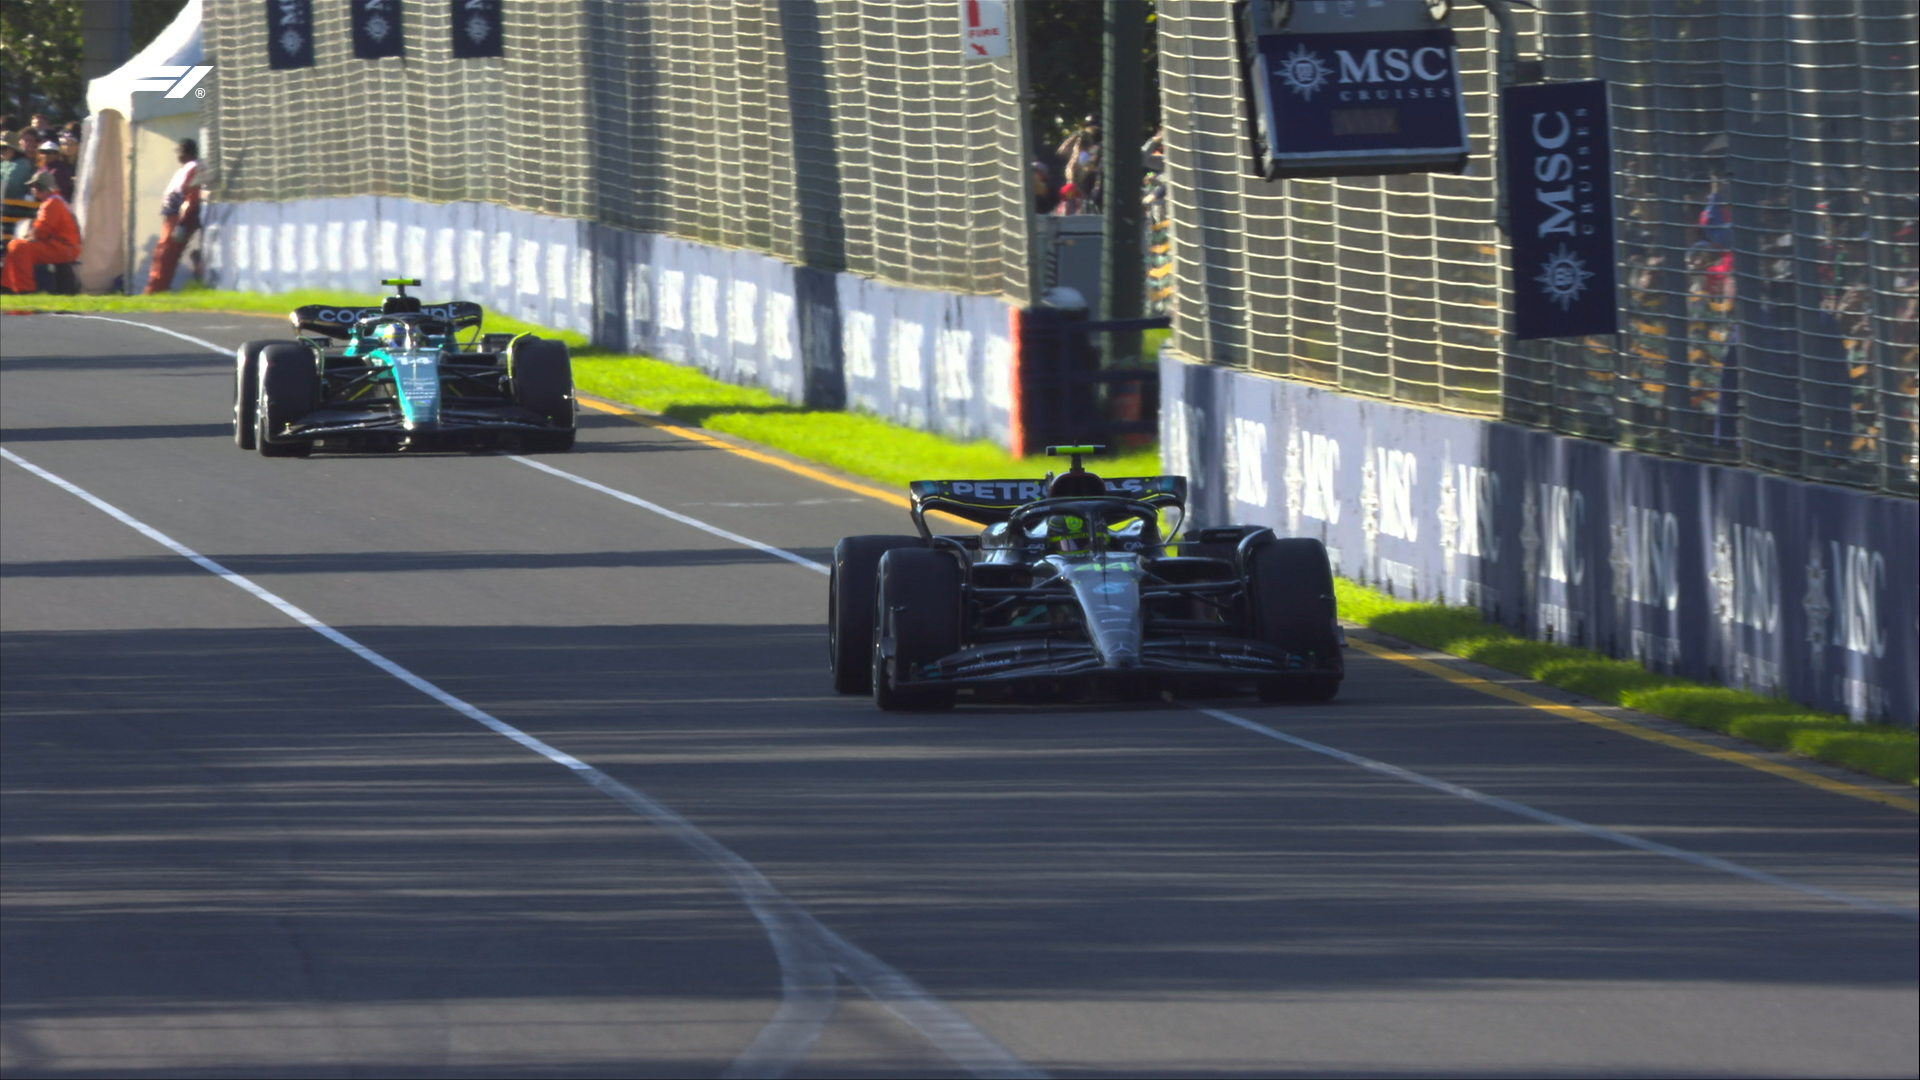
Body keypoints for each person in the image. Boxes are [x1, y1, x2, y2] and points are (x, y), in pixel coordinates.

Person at [1, 173, 81, 295]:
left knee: (19, 247)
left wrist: (27, 237)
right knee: (14, 245)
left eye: (33, 186)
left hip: (63, 248)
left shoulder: (52, 204)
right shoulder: (55, 201)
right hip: (61, 246)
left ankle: (26, 289)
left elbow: (41, 232)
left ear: (40, 187)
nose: (32, 190)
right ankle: (8, 286)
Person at [144, 138, 204, 294]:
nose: (178, 155)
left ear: (187, 152)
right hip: (174, 216)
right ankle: (157, 288)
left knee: (165, 254)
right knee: (163, 253)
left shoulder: (193, 168)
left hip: (178, 217)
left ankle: (156, 290)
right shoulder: (186, 169)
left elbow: (192, 196)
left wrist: (182, 222)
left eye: (180, 151)